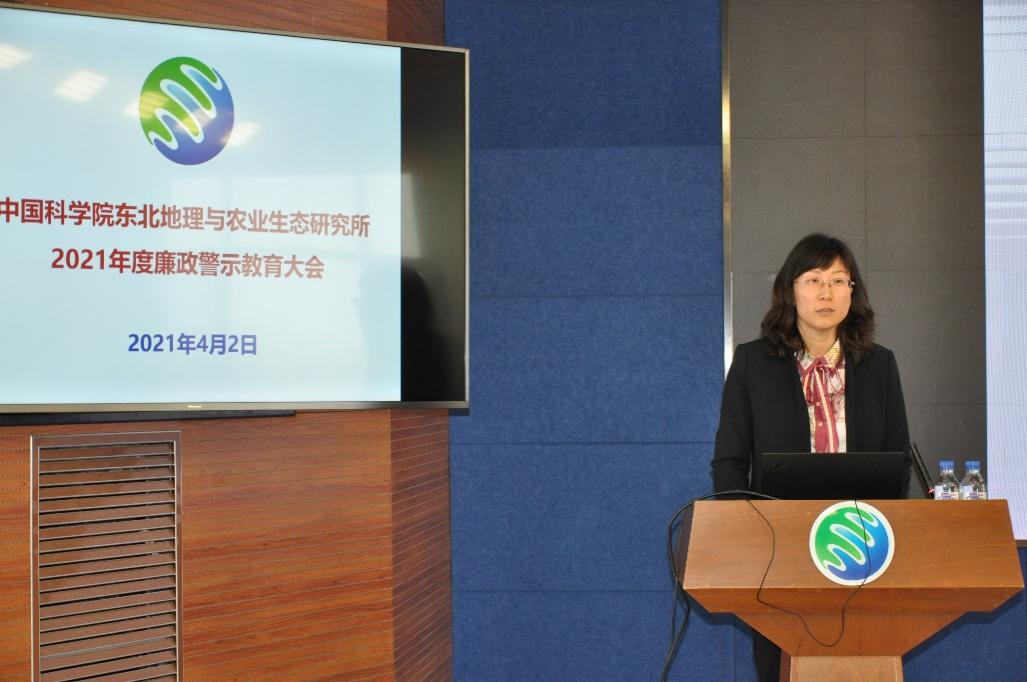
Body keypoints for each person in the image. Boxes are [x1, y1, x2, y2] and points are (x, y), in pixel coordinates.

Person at [710, 233, 910, 682]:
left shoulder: (879, 364)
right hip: (778, 549)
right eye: (814, 279)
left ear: (852, 292)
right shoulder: (753, 362)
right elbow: (729, 460)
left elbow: (897, 459)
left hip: (861, 546)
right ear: (790, 290)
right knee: (781, 663)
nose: (826, 293)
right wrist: (746, 533)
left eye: (838, 280)